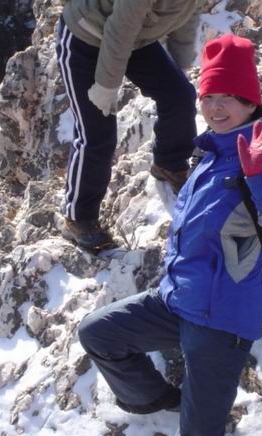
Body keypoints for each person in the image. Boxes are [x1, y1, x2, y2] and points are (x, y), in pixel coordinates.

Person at [78, 34, 262, 436]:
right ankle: (156, 401)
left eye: (229, 97)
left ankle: (194, 414)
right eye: (209, 96)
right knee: (99, 334)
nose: (216, 107)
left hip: (220, 319)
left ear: (250, 102)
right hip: (177, 302)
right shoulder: (210, 153)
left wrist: (260, 176)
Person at [56, 0, 203, 251]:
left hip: (136, 38)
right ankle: (79, 217)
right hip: (85, 35)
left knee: (179, 96)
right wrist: (106, 89)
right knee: (97, 132)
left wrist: (178, 70)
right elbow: (120, 29)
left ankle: (170, 163)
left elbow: (188, 14)